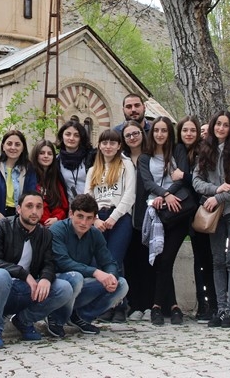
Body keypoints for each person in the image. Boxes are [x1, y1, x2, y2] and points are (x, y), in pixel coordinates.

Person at [0, 191, 74, 348]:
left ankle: (24, 320)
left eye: (39, 207)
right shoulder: (3, 226)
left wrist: (45, 278)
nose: (34, 211)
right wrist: (24, 274)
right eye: (29, 206)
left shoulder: (45, 234)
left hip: (28, 290)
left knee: (64, 288)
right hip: (2, 289)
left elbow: (49, 263)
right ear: (19, 209)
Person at [192, 110, 230, 328]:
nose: (221, 128)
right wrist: (215, 190)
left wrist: (219, 197)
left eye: (225, 125)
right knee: (217, 261)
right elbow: (196, 181)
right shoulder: (205, 151)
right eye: (218, 124)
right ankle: (221, 308)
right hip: (213, 214)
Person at [49, 194, 130, 336]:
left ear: (94, 219)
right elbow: (62, 262)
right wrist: (96, 272)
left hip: (81, 283)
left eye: (89, 218)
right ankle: (56, 317)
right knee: (76, 277)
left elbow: (109, 262)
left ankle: (81, 317)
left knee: (121, 284)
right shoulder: (57, 229)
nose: (84, 222)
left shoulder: (95, 234)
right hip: (56, 283)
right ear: (71, 214)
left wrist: (111, 276)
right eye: (80, 216)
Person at [139, 116, 191, 326]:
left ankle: (157, 306)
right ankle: (172, 306)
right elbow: (148, 183)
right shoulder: (145, 157)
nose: (160, 134)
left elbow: (183, 177)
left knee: (167, 259)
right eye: (156, 130)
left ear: (170, 133)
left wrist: (169, 194)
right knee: (160, 260)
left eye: (164, 130)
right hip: (157, 213)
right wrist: (163, 194)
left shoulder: (178, 151)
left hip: (178, 212)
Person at [87, 129, 137, 323]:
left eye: (112, 143)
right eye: (104, 143)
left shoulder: (126, 165)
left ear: (118, 146)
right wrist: (95, 219)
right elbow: (88, 197)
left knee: (114, 260)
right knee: (98, 262)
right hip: (98, 218)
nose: (108, 146)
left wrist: (114, 217)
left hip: (120, 217)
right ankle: (105, 305)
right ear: (99, 145)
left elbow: (129, 195)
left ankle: (119, 305)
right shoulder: (93, 170)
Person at [176, 115, 217, 322]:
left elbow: (203, 180)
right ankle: (203, 302)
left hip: (201, 210)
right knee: (198, 259)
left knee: (206, 258)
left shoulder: (205, 151)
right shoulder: (176, 151)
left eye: (193, 130)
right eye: (185, 130)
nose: (189, 134)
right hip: (180, 211)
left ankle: (211, 303)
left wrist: (183, 176)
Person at [121, 119, 155, 321]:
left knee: (147, 262)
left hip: (147, 215)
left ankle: (149, 304)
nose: (132, 137)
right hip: (126, 217)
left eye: (136, 133)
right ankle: (135, 305)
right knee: (130, 261)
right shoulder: (121, 159)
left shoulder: (151, 157)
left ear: (143, 134)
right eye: (128, 135)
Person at [0, 130, 37, 221]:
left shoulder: (29, 168)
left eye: (17, 144)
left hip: (20, 216)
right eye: (9, 144)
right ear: (3, 146)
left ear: (23, 148)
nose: (13, 147)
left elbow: (31, 194)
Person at [31, 139, 68, 226]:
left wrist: (56, 218)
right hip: (34, 224)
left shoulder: (56, 178)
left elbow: (63, 206)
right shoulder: (29, 176)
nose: (46, 156)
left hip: (54, 225)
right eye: (42, 153)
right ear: (36, 155)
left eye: (50, 154)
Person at [57, 120, 96, 200]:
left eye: (76, 135)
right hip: (70, 205)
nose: (71, 138)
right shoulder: (57, 161)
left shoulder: (91, 157)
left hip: (92, 203)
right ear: (62, 136)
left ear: (81, 138)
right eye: (68, 134)